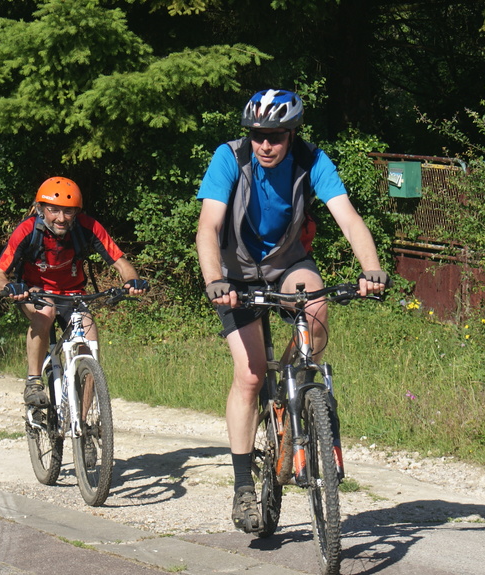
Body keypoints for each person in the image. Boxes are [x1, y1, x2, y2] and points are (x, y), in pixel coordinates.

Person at [194, 89, 388, 533]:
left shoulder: (312, 160)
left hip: (287, 264)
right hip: (235, 275)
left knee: (316, 309)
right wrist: (214, 280)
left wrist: (371, 269)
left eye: (276, 137)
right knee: (249, 376)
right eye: (258, 135)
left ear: (292, 134)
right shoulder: (229, 158)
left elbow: (349, 218)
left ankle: (289, 386)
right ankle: (244, 487)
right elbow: (208, 226)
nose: (266, 145)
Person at [0, 176, 147, 407]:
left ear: (77, 212)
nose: (61, 218)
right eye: (54, 210)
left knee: (90, 345)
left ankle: (84, 424)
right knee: (46, 312)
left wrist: (133, 281)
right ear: (40, 208)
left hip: (73, 293)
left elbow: (121, 263)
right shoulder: (27, 230)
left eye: (68, 211)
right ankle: (33, 382)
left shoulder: (88, 227)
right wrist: (10, 287)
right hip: (36, 292)